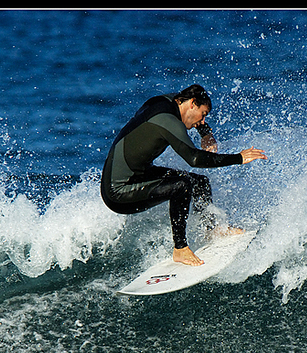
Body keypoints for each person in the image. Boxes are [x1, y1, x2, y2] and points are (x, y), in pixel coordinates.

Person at [100, 84, 267, 266]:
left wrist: (205, 134)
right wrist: (239, 158)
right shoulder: (167, 119)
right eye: (203, 115)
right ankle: (180, 249)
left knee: (199, 182)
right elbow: (194, 159)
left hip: (140, 173)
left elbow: (194, 128)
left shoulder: (167, 101)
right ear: (193, 104)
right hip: (118, 192)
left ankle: (212, 230)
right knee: (182, 185)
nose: (202, 121)